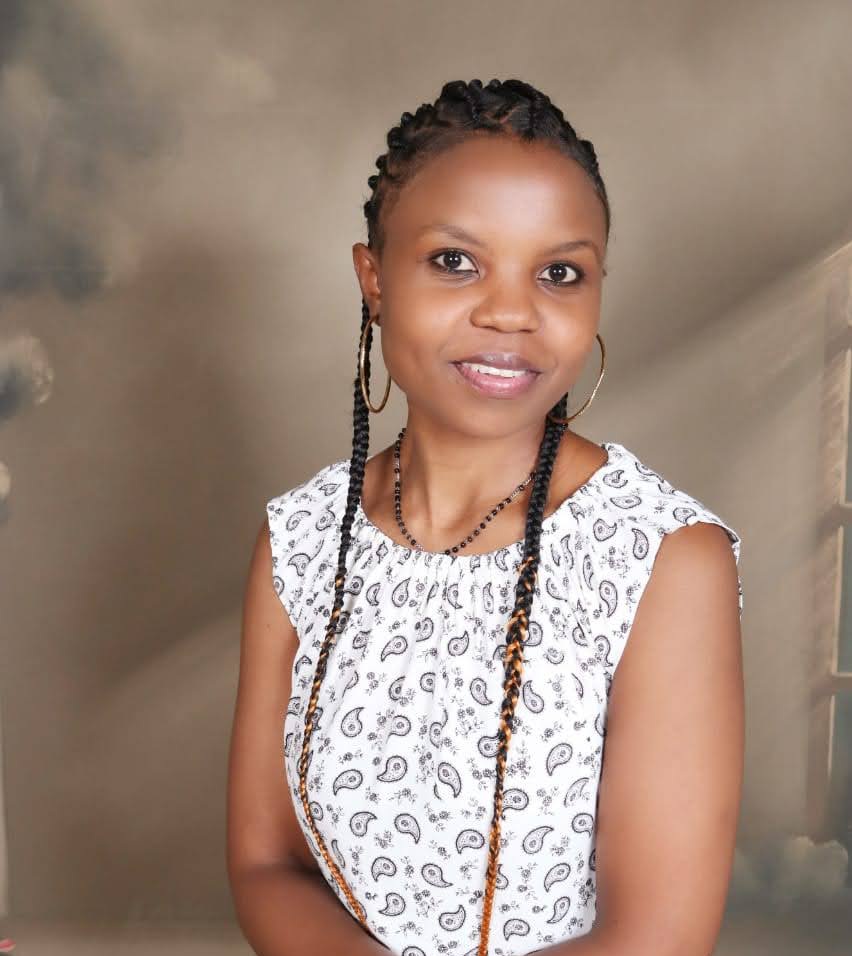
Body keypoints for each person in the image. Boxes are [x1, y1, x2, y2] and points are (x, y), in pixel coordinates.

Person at [227, 78, 744, 956]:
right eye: (456, 261)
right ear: (373, 279)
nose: (511, 312)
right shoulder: (302, 540)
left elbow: (657, 937)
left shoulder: (662, 558)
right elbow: (266, 863)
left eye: (559, 273)